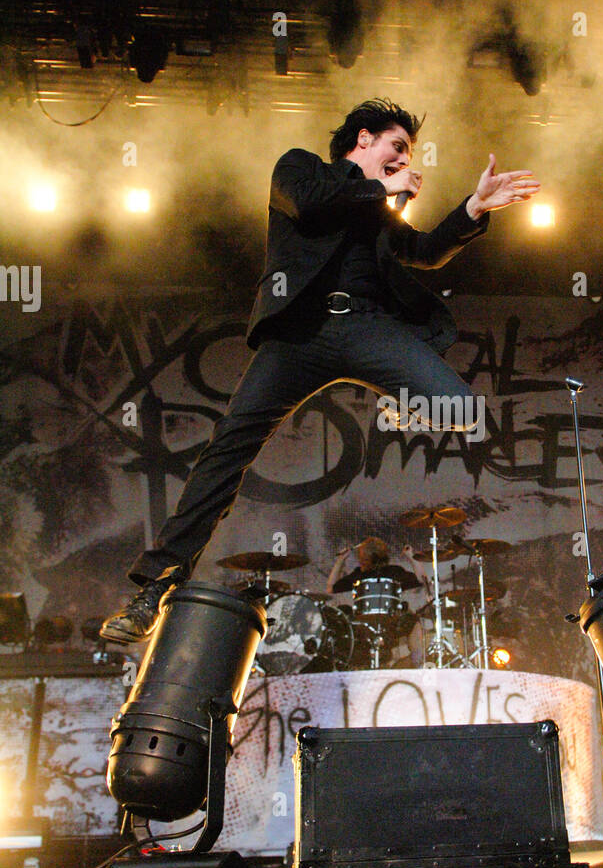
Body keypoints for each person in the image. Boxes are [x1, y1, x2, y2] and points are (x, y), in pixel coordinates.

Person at [100, 97, 539, 643]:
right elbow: (309, 205)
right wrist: (383, 188)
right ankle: (154, 589)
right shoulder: (299, 168)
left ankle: (390, 397)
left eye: (407, 154)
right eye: (396, 147)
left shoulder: (379, 210)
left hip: (366, 329)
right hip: (298, 335)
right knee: (228, 448)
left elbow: (422, 251)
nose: (404, 161)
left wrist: (473, 207)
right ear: (362, 139)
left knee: (462, 409)